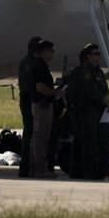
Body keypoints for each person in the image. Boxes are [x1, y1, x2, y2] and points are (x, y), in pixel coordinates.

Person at [67, 44, 109, 180]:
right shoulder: (84, 72)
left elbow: (104, 89)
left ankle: (103, 170)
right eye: (95, 54)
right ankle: (88, 171)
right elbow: (90, 91)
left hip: (99, 110)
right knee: (88, 142)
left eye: (98, 54)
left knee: (102, 141)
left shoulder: (98, 71)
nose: (98, 56)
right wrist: (103, 99)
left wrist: (107, 99)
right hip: (86, 111)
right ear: (87, 56)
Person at [28, 39, 64, 177]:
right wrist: (56, 92)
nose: (52, 53)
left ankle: (37, 168)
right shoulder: (40, 67)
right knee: (41, 137)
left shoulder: (40, 66)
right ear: (43, 52)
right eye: (50, 50)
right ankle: (39, 169)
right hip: (42, 105)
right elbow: (40, 87)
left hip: (43, 104)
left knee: (40, 137)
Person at [17, 37, 41, 177]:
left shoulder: (30, 62)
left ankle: (29, 165)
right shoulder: (30, 64)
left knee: (31, 132)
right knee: (31, 133)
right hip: (31, 101)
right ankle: (27, 165)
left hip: (30, 100)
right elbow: (32, 86)